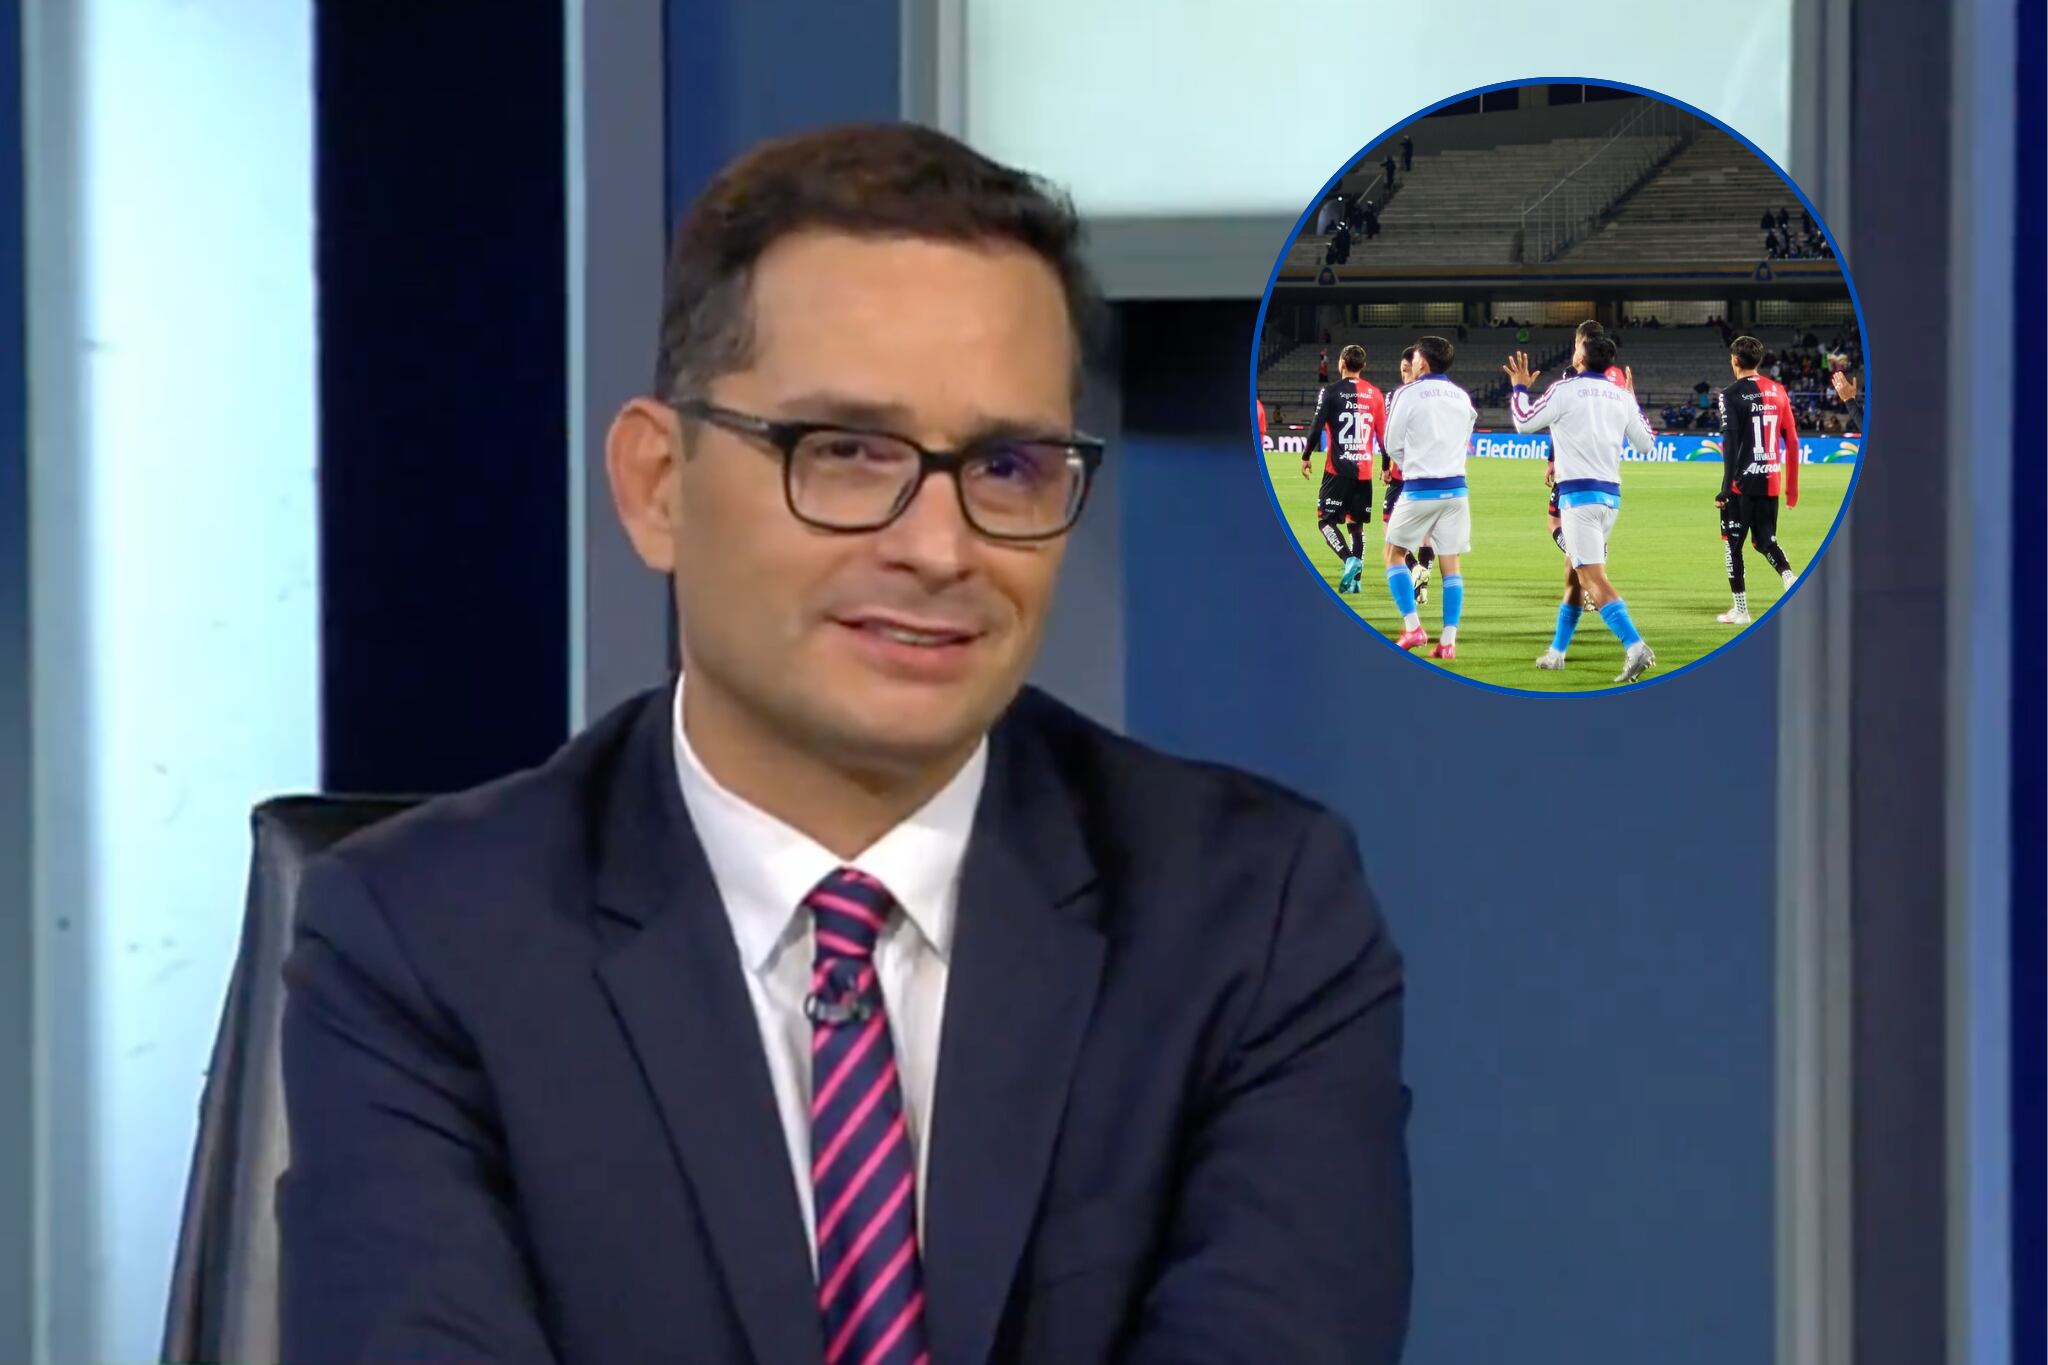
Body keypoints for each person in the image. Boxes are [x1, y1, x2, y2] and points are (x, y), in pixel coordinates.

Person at [277, 123, 1412, 1365]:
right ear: (656, 484)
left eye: (1008, 467)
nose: (937, 548)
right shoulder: (422, 944)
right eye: (847, 454)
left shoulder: (1249, 918)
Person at [1504, 332, 1658, 684]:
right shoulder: (1621, 396)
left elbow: (1523, 422)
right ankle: (1557, 653)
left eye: (1577, 348)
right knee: (1573, 574)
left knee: (1591, 577)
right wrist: (1633, 401)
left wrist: (1519, 387)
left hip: (1578, 498)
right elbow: (1647, 444)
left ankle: (1635, 646)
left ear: (1581, 359)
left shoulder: (1564, 390)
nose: (1574, 351)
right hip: (1610, 498)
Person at [1380, 336, 1474, 659]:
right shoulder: (1462, 396)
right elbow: (1465, 438)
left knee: (1393, 553)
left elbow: (1391, 442)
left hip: (1420, 488)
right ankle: (1448, 641)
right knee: (1451, 564)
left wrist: (1413, 465)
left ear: (1422, 362)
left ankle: (1413, 627)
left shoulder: (1408, 393)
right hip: (1457, 490)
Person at [1540, 322, 1626, 623]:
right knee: (1586, 530)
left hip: (1575, 468)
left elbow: (1559, 421)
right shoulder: (1616, 378)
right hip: (1606, 467)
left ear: (1581, 345)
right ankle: (1588, 575)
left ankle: (1590, 573)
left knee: (1556, 523)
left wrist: (1552, 459)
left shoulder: (1571, 378)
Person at [1712, 335, 1803, 624]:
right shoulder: (1779, 391)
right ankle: (1790, 578)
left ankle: (1740, 610)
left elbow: (1730, 441)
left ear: (1734, 360)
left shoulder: (1729, 394)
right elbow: (1793, 441)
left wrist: (1725, 489)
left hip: (1741, 484)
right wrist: (1791, 491)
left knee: (1733, 547)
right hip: (1770, 479)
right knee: (1766, 541)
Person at [1301, 343, 1388, 594]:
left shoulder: (1330, 392)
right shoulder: (1375, 394)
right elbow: (1383, 436)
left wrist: (1306, 456)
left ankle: (1349, 559)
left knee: (1325, 522)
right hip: (1364, 472)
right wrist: (1385, 465)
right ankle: (1356, 581)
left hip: (1337, 470)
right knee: (1356, 526)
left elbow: (1316, 427)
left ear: (1341, 363)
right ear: (1363, 366)